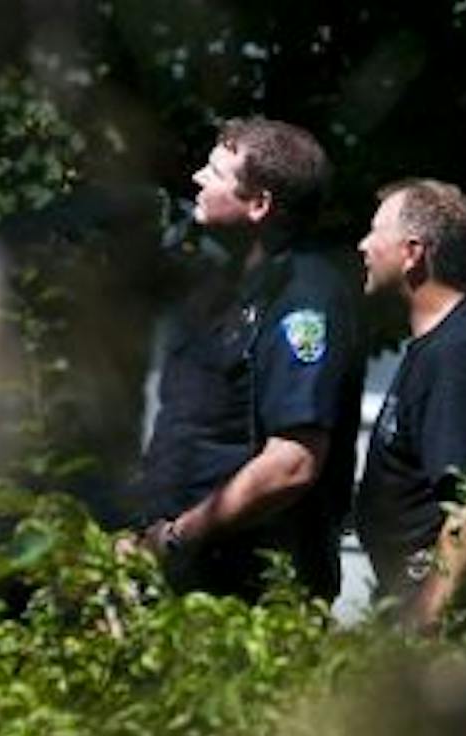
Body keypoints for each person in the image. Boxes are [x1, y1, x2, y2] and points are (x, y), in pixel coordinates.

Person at [130, 118, 366, 603]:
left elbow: (292, 462)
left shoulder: (303, 299)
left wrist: (177, 538)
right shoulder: (224, 288)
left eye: (215, 173)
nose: (196, 178)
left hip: (254, 595)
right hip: (187, 577)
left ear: (259, 205)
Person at [353, 178, 466, 638]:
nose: (363, 245)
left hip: (455, 641)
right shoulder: (450, 338)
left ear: (412, 252)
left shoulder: (457, 357)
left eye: (376, 232)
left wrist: (421, 624)